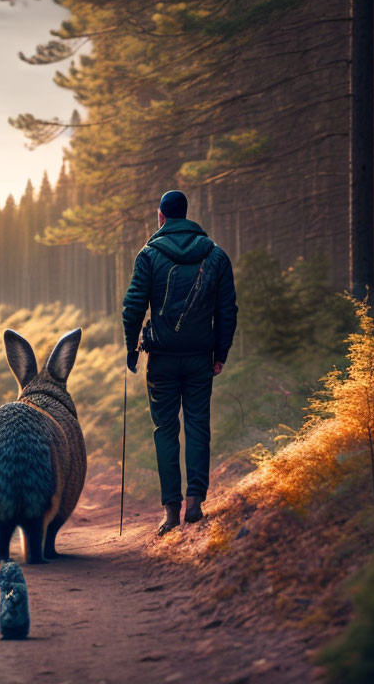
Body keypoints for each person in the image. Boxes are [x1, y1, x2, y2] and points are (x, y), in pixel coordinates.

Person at [122, 190, 237, 535]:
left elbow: (132, 307)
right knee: (198, 426)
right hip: (201, 358)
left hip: (161, 359)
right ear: (186, 215)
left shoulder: (149, 255)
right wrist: (221, 353)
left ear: (161, 217)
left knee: (166, 430)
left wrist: (132, 349)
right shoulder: (216, 255)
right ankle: (195, 503)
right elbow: (227, 310)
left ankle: (171, 512)